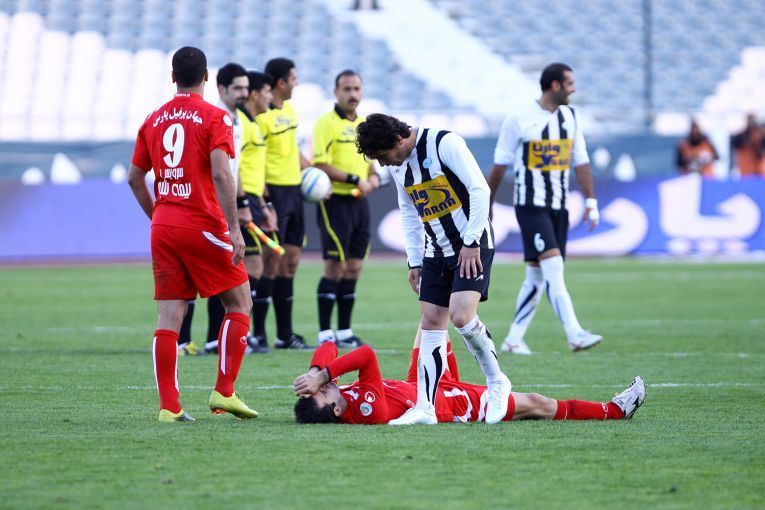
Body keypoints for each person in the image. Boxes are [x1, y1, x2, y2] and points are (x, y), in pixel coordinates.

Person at [126, 46, 258, 422]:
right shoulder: (215, 117)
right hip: (201, 222)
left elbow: (134, 178)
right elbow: (220, 173)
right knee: (240, 302)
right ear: (206, 77)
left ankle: (169, 407)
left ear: (173, 77)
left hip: (164, 224)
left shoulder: (153, 119)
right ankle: (224, 391)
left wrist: (159, 217)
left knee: (170, 316)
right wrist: (234, 228)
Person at [355, 113, 511, 425]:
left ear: (398, 139)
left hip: (471, 244)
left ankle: (497, 383)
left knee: (462, 317)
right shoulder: (399, 165)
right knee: (430, 322)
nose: (383, 164)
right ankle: (425, 407)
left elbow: (479, 189)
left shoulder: (444, 143)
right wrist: (414, 260)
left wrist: (471, 242)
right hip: (435, 250)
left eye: (383, 156)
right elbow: (408, 210)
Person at [487, 62, 602, 356]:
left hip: (559, 207)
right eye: (570, 83)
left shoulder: (571, 116)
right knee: (553, 266)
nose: (574, 89)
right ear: (555, 85)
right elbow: (499, 165)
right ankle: (575, 333)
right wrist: (486, 205)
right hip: (531, 206)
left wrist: (591, 201)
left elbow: (581, 161)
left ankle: (513, 339)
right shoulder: (519, 118)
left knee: (537, 274)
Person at [292, 334, 645, 425]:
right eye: (322, 393)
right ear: (335, 411)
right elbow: (367, 355)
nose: (323, 387)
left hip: (424, 382)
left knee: (432, 316)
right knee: (538, 404)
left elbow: (328, 345)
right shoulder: (367, 411)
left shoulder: (337, 396)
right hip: (451, 403)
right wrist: (323, 373)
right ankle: (613, 410)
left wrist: (313, 372)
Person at [177, 62, 252, 356]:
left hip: (223, 203)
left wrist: (241, 203)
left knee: (222, 273)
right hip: (206, 204)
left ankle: (213, 338)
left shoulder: (238, 121)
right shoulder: (212, 116)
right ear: (220, 88)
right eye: (238, 88)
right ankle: (182, 340)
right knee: (201, 273)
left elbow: (234, 170)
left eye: (246, 88)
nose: (244, 93)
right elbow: (219, 171)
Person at [313, 70, 380, 348]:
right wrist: (354, 179)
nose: (353, 94)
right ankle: (324, 332)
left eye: (356, 88)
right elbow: (320, 163)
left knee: (354, 267)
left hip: (359, 203)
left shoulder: (364, 124)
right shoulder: (325, 123)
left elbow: (371, 163)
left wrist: (373, 178)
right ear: (336, 91)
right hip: (335, 202)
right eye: (347, 88)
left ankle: (343, 331)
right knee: (335, 267)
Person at [252, 57, 313, 350]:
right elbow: (256, 161)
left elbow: (293, 152)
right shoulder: (261, 117)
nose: (296, 84)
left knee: (290, 262)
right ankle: (258, 333)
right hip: (274, 193)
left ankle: (285, 334)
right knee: (270, 262)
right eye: (293, 78)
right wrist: (265, 201)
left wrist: (314, 173)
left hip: (294, 192)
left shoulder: (289, 111)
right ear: (281, 82)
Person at [237, 70, 278, 354]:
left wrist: (265, 206)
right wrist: (242, 203)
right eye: (266, 92)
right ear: (254, 94)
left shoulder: (253, 124)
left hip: (253, 199)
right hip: (241, 200)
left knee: (254, 267)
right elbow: (234, 167)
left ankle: (241, 333)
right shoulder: (239, 123)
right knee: (249, 267)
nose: (270, 97)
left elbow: (253, 171)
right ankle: (238, 334)